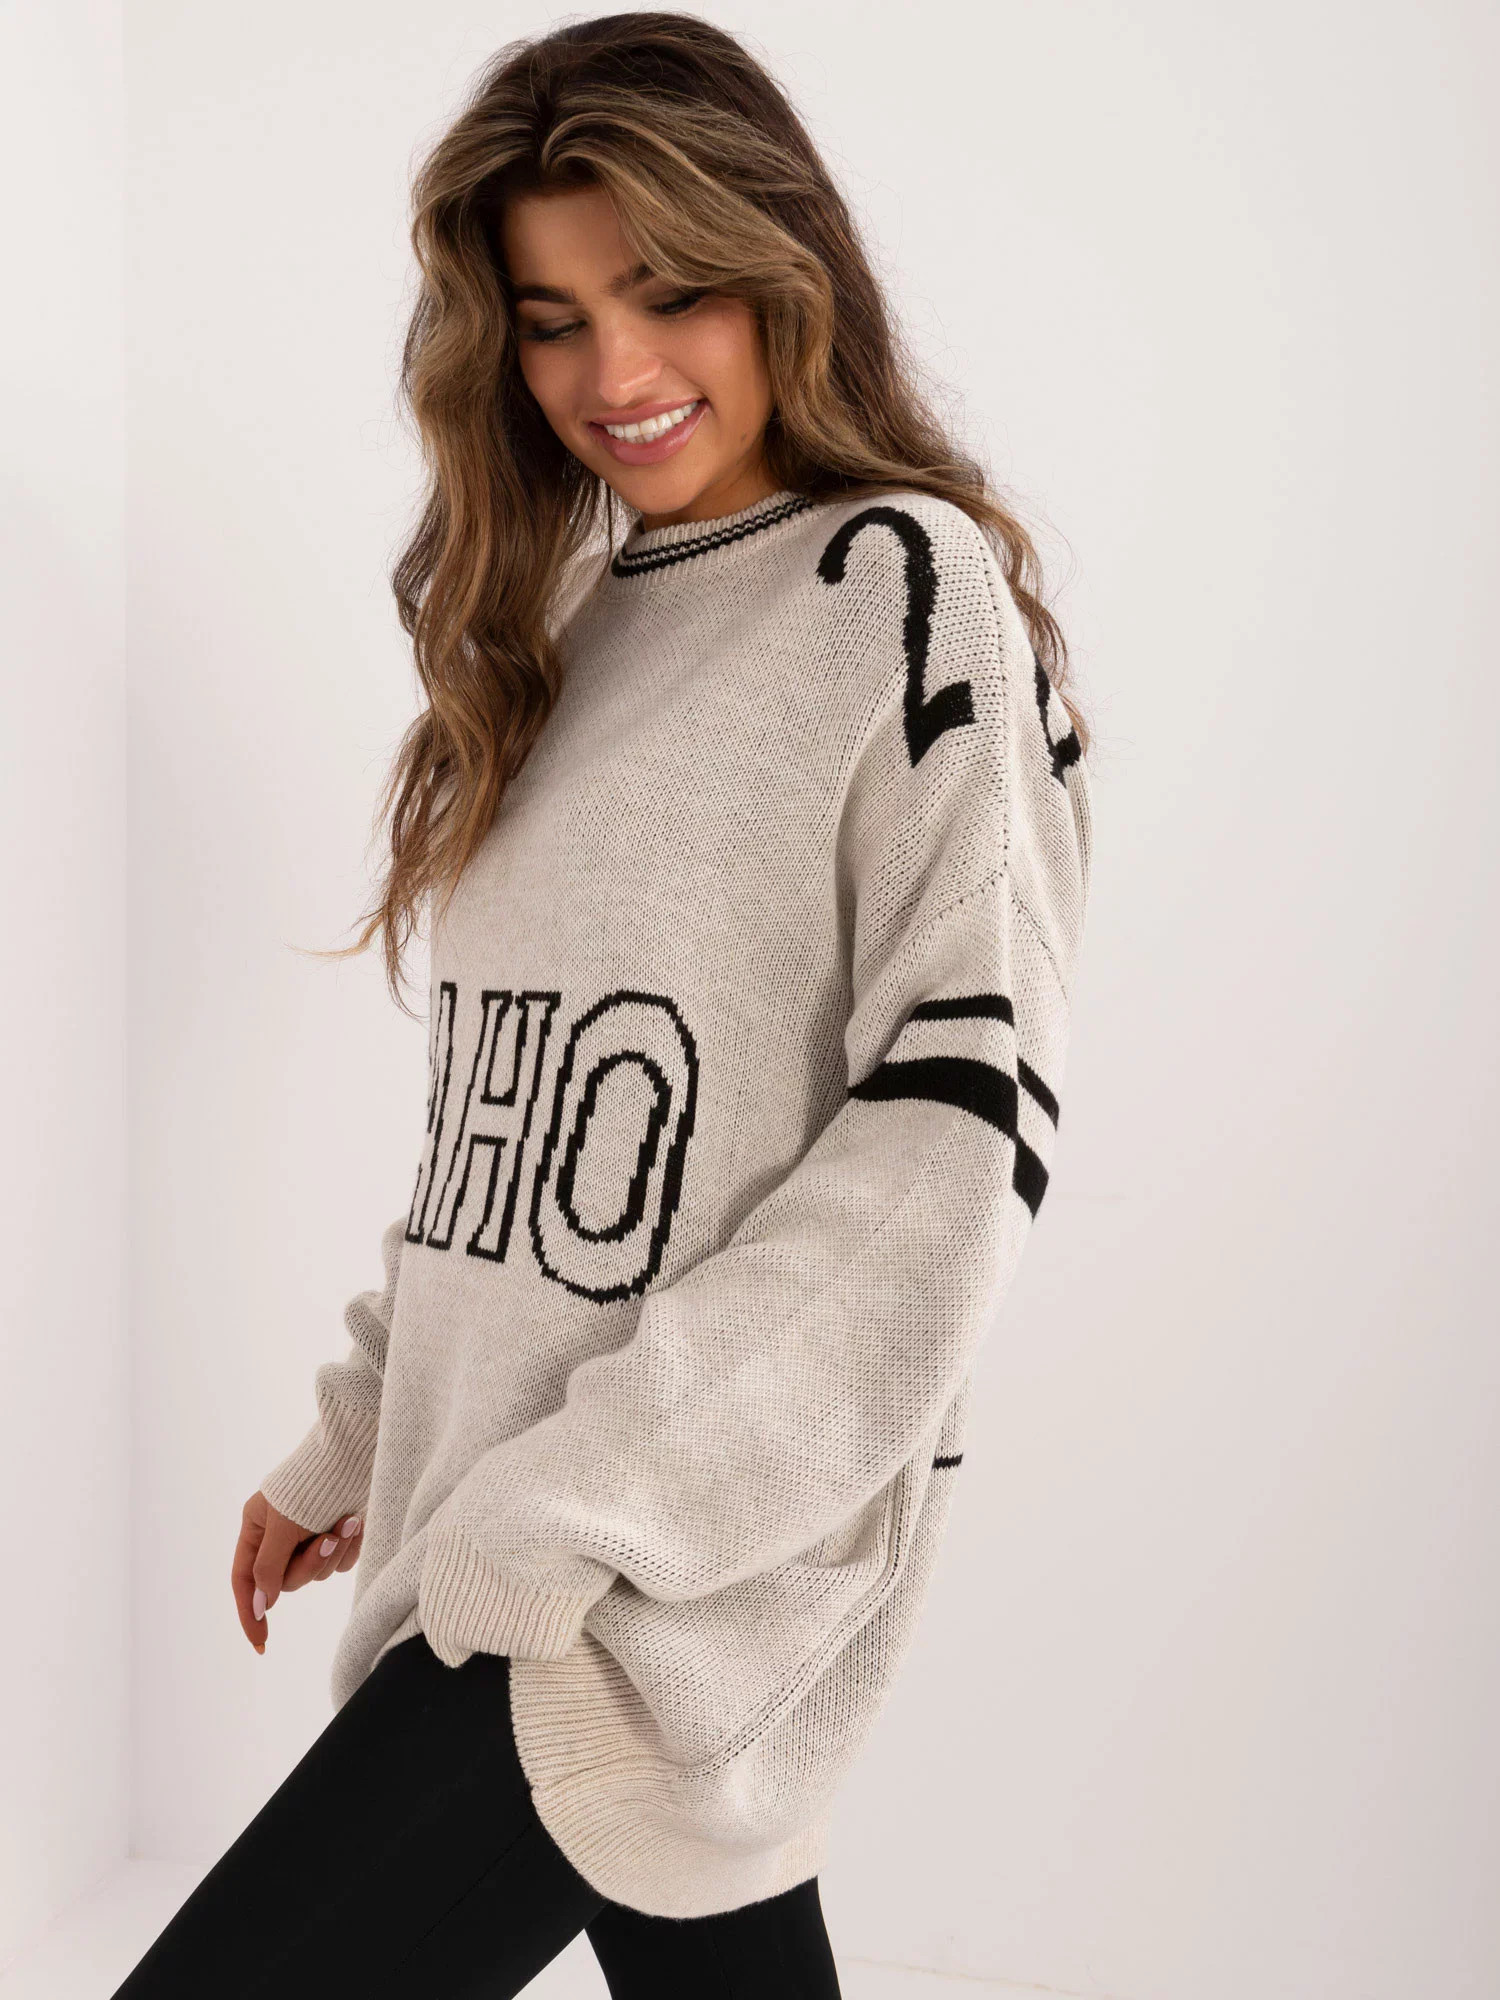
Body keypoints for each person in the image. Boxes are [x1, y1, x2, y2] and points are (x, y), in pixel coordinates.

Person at [113, 12, 1094, 1996]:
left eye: (667, 292)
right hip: (520, 1525)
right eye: (552, 320)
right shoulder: (574, 631)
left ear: (782, 266)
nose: (615, 375)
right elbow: (518, 1130)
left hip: (649, 1578)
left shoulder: (907, 597)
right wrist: (360, 1429)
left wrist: (586, 1507)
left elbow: (947, 1153)